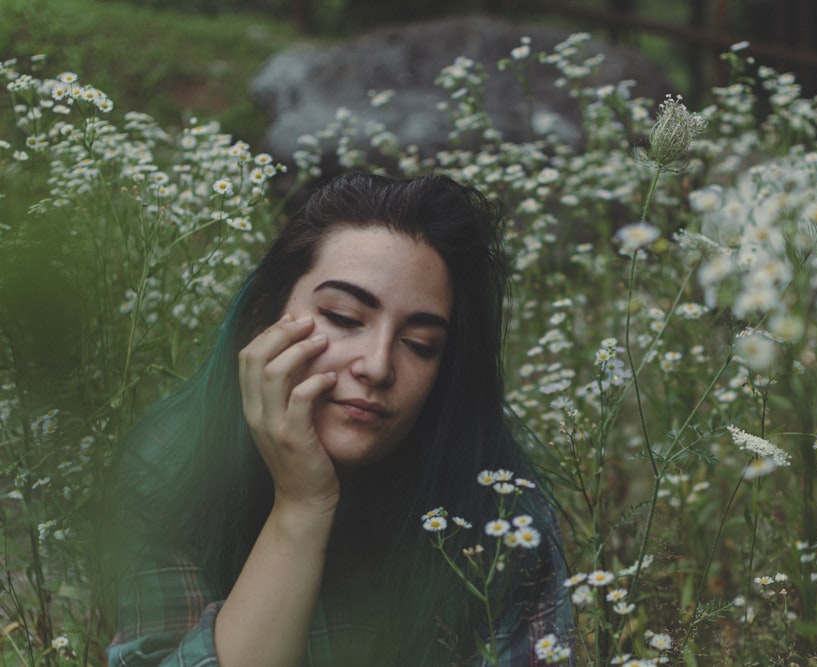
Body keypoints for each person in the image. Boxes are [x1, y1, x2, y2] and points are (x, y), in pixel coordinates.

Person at [105, 173, 572, 666]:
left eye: (420, 345)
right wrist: (302, 506)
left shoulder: (503, 514)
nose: (376, 365)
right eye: (345, 317)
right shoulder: (173, 464)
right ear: (268, 317)